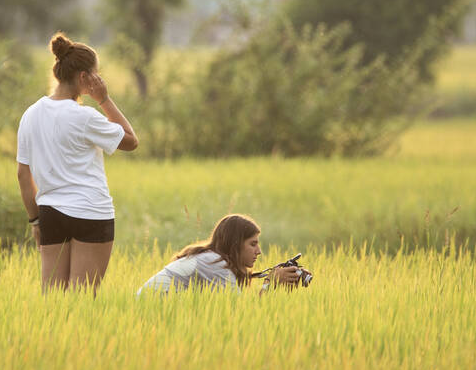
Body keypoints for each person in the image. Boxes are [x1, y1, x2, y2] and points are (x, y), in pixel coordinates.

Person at [17, 33, 138, 292]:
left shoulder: (30, 115)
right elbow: (130, 140)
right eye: (96, 74)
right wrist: (104, 99)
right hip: (91, 211)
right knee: (82, 300)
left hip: (50, 213)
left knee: (55, 300)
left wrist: (35, 221)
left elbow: (22, 176)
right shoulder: (84, 117)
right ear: (84, 78)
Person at [138, 214, 299, 294]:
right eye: (253, 244)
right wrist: (270, 284)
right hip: (145, 315)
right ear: (235, 245)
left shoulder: (212, 258)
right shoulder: (215, 264)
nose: (259, 251)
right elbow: (242, 315)